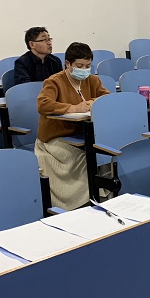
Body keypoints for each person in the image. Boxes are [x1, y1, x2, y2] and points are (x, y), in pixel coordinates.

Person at [34, 42, 110, 210]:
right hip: (56, 138)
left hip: (82, 134)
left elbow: (107, 97)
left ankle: (102, 195)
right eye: (80, 66)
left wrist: (94, 101)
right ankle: (83, 202)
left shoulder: (93, 80)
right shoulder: (54, 81)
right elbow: (43, 104)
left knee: (104, 153)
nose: (84, 70)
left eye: (88, 66)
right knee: (86, 158)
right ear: (68, 64)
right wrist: (72, 108)